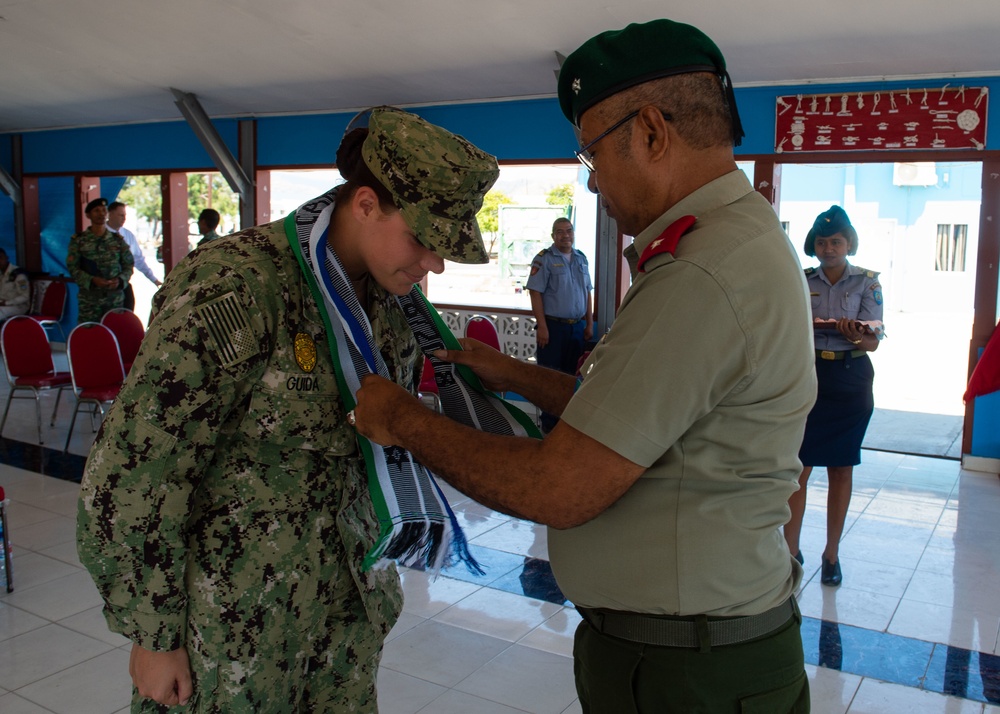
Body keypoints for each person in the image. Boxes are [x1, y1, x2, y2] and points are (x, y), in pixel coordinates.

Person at [354, 19, 816, 713]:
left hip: (689, 674)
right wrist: (517, 376)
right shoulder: (734, 242)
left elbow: (558, 489)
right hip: (689, 653)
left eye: (593, 155)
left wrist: (402, 420)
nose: (594, 183)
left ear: (653, 131)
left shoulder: (702, 274)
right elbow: (639, 415)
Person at [77, 107, 499, 713]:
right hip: (231, 634)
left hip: (346, 619)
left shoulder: (392, 307)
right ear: (365, 204)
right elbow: (136, 470)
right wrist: (153, 633)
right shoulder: (240, 285)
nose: (434, 263)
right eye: (424, 240)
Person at [783, 205, 883, 588]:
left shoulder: (867, 282)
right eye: (822, 242)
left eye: (836, 241)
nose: (829, 248)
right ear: (814, 245)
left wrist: (855, 334)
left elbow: (872, 342)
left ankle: (831, 553)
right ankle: (791, 551)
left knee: (842, 468)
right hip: (809, 376)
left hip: (850, 378)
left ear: (849, 243)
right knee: (800, 466)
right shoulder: (801, 279)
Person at [526, 216, 593, 432]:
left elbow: (587, 293)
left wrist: (589, 324)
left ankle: (567, 426)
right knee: (550, 379)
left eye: (569, 230)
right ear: (553, 235)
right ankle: (548, 428)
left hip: (577, 328)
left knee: (572, 378)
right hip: (553, 329)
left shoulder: (581, 259)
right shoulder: (544, 259)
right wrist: (542, 326)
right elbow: (535, 293)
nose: (566, 235)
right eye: (560, 231)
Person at [66, 197, 134, 323]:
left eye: (104, 210)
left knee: (115, 334)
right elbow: (72, 267)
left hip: (114, 300)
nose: (101, 214)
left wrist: (119, 280)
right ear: (88, 215)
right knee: (89, 337)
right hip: (90, 302)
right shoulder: (79, 241)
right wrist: (91, 280)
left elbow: (128, 265)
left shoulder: (117, 240)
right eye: (96, 211)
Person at [107, 201, 162, 311]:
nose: (124, 218)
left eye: (125, 215)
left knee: (127, 319)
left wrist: (154, 280)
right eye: (120, 215)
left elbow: (138, 260)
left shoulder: (128, 235)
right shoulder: (99, 235)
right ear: (110, 214)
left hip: (123, 285)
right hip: (103, 289)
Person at [0, 247, 30, 322]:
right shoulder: (1, 274)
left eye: (1, 258)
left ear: (6, 258)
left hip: (18, 306)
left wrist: (7, 303)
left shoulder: (18, 274)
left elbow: (25, 296)